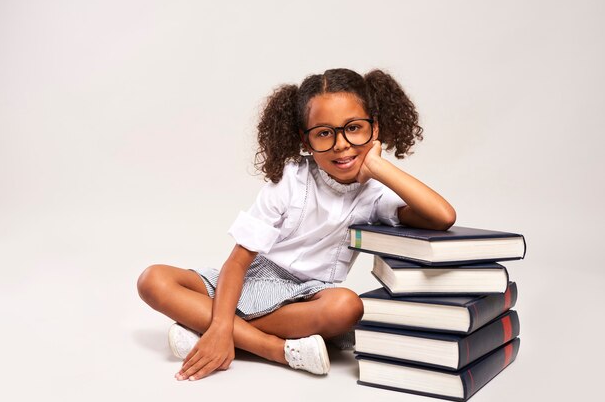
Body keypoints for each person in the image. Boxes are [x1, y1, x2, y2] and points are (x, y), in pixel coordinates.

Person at [137, 68, 456, 382]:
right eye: (324, 133)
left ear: (375, 128)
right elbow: (237, 263)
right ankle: (273, 349)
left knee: (346, 307)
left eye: (354, 128)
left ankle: (205, 327)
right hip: (253, 280)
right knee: (153, 280)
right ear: (305, 139)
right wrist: (222, 325)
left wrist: (376, 166)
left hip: (308, 300)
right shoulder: (291, 178)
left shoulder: (375, 195)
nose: (341, 144)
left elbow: (442, 217)